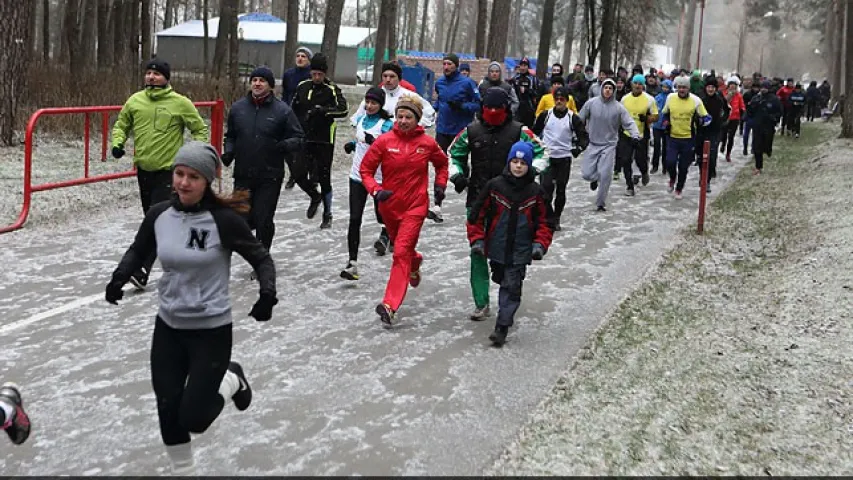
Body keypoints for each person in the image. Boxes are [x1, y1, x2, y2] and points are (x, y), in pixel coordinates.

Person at [105, 141, 278, 475]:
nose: (183, 182)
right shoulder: (160, 214)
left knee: (195, 419)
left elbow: (260, 257)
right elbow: (139, 249)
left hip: (210, 331)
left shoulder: (223, 220)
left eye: (193, 177)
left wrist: (267, 293)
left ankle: (231, 378)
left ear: (207, 181)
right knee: (168, 410)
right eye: (179, 173)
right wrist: (119, 277)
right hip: (168, 329)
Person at [448, 87, 547, 320]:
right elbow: (453, 155)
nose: (492, 112)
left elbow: (543, 153)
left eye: (497, 108)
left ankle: (507, 288)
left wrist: (530, 172)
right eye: (488, 108)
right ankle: (481, 302)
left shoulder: (520, 131)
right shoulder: (470, 132)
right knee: (477, 250)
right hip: (477, 199)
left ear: (506, 109)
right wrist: (457, 174)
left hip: (513, 202)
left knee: (508, 250)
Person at [111, 57, 209, 290]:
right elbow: (121, 124)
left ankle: (142, 269)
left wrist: (197, 155)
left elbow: (199, 129)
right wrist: (118, 142)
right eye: (148, 73)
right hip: (144, 170)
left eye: (156, 74)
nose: (151, 77)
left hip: (169, 172)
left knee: (156, 220)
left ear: (166, 78)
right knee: (156, 219)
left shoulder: (180, 103)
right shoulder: (135, 101)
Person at [359, 96, 449, 326]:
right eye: (400, 116)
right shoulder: (384, 141)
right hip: (389, 205)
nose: (403, 121)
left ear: (417, 119)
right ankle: (415, 263)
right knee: (405, 251)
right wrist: (376, 191)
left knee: (399, 252)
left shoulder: (427, 143)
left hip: (415, 206)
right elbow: (366, 169)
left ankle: (389, 305)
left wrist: (440, 184)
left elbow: (442, 163)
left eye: (408, 117)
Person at [466, 142, 553, 347]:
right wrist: (477, 240)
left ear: (529, 166)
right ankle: (503, 314)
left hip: (521, 250)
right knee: (500, 278)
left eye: (523, 163)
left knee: (511, 287)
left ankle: (502, 327)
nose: (518, 166)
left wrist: (539, 244)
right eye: (515, 161)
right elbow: (475, 216)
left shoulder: (536, 192)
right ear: (509, 162)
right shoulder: (495, 186)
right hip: (496, 247)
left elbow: (545, 222)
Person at [222, 66, 305, 257]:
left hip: (269, 174)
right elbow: (231, 136)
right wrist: (229, 152)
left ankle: (261, 256)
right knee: (240, 218)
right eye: (254, 80)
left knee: (263, 219)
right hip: (243, 173)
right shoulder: (238, 108)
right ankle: (247, 248)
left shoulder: (282, 111)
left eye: (262, 80)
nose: (257, 84)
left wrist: (283, 145)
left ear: (271, 86)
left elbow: (299, 138)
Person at [341, 87, 395, 280]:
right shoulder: (362, 120)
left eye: (374, 103)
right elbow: (361, 140)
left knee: (382, 215)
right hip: (357, 176)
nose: (370, 106)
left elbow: (390, 148)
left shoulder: (387, 124)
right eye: (368, 102)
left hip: (378, 179)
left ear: (380, 105)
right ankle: (352, 263)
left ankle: (388, 234)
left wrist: (376, 142)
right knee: (354, 219)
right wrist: (353, 145)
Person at [291, 52, 349, 229]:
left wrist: (323, 111)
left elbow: (343, 110)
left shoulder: (331, 89)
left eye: (320, 75)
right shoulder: (302, 86)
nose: (316, 77)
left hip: (324, 138)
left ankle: (327, 213)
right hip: (304, 136)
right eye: (314, 73)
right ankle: (314, 196)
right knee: (298, 173)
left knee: (324, 177)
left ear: (325, 74)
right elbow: (292, 109)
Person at [577, 78, 641, 211]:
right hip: (593, 143)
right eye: (605, 87)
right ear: (601, 89)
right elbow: (578, 119)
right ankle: (594, 179)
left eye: (610, 88)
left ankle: (600, 203)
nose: (607, 90)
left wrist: (635, 135)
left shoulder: (618, 108)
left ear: (614, 91)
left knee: (605, 174)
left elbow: (629, 122)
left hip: (609, 145)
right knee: (587, 174)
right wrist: (575, 136)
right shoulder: (591, 103)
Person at [431, 53, 481, 223]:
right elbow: (439, 102)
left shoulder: (467, 83)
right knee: (441, 164)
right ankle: (437, 204)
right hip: (442, 129)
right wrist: (433, 109)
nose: (446, 67)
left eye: (449, 64)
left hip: (461, 131)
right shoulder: (439, 83)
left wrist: (462, 106)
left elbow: (478, 104)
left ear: (456, 66)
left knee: (459, 163)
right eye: (444, 63)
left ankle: (469, 190)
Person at [532, 86, 588, 231]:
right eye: (556, 99)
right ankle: (547, 218)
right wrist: (535, 147)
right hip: (547, 158)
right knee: (545, 190)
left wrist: (579, 148)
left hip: (564, 158)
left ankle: (556, 218)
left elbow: (584, 137)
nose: (559, 102)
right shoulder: (545, 115)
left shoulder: (572, 118)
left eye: (562, 99)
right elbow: (534, 134)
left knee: (561, 190)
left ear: (567, 101)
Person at [660, 75, 712, 199]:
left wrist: (700, 121)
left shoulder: (695, 100)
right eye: (679, 87)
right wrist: (665, 122)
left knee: (683, 166)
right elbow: (665, 113)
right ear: (676, 88)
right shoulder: (671, 98)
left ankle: (679, 189)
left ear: (688, 88)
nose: (681, 90)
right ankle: (672, 178)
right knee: (670, 162)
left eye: (684, 87)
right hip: (672, 137)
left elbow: (707, 118)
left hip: (688, 139)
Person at [350, 62, 435, 128]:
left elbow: (429, 113)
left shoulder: (409, 95)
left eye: (392, 76)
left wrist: (413, 125)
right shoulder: (374, 95)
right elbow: (358, 116)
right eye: (385, 76)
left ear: (399, 78)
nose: (388, 79)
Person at [618, 74, 658, 196]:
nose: (637, 86)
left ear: (643, 86)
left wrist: (647, 118)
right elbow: (619, 114)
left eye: (640, 84)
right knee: (625, 160)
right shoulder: (625, 99)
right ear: (631, 84)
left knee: (640, 159)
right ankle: (629, 186)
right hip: (626, 133)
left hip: (641, 134)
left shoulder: (649, 99)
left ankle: (644, 172)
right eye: (635, 83)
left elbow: (656, 116)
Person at [280, 47, 313, 189]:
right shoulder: (289, 74)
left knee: (301, 147)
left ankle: (301, 174)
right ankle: (294, 172)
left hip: (304, 115)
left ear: (308, 60)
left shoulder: (312, 75)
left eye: (303, 56)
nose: (300, 58)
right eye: (298, 55)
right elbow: (285, 93)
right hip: (288, 113)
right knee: (286, 146)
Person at [696, 76, 731, 193]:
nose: (710, 89)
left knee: (711, 157)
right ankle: (702, 176)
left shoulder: (720, 99)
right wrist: (698, 120)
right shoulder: (700, 99)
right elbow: (694, 112)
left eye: (713, 87)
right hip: (701, 131)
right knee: (701, 157)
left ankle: (707, 181)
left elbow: (727, 110)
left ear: (716, 89)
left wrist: (723, 120)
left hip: (715, 132)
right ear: (705, 88)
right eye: (709, 87)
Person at [747, 80, 783, 175]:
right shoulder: (756, 98)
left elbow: (779, 111)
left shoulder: (774, 99)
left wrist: (774, 119)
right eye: (762, 87)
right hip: (757, 126)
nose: (763, 89)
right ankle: (758, 167)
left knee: (766, 144)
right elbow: (750, 111)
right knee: (757, 147)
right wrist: (752, 106)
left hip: (769, 126)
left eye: (765, 88)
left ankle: (768, 150)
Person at [510, 56, 540, 128]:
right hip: (517, 109)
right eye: (521, 65)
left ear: (528, 67)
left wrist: (526, 90)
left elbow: (537, 94)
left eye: (525, 65)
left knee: (527, 131)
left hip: (528, 109)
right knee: (516, 129)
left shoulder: (533, 79)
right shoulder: (515, 78)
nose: (523, 68)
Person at [720, 77, 745, 163]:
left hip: (735, 118)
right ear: (728, 86)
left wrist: (742, 112)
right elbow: (722, 103)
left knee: (731, 137)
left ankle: (728, 154)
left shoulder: (739, 95)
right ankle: (723, 144)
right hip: (726, 117)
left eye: (734, 86)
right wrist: (729, 95)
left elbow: (742, 106)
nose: (732, 88)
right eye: (731, 86)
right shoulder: (724, 93)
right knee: (723, 135)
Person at [651, 79, 672, 174]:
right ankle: (654, 165)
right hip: (657, 125)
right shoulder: (658, 97)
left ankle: (665, 166)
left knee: (666, 147)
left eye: (667, 87)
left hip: (667, 125)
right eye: (663, 86)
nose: (665, 88)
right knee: (656, 146)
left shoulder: (672, 98)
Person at [741, 81, 761, 156]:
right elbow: (743, 104)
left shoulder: (760, 96)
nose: (756, 89)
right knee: (746, 134)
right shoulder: (747, 94)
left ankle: (753, 148)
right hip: (749, 116)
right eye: (754, 87)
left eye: (757, 88)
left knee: (755, 134)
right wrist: (748, 104)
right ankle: (745, 148)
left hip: (757, 117)